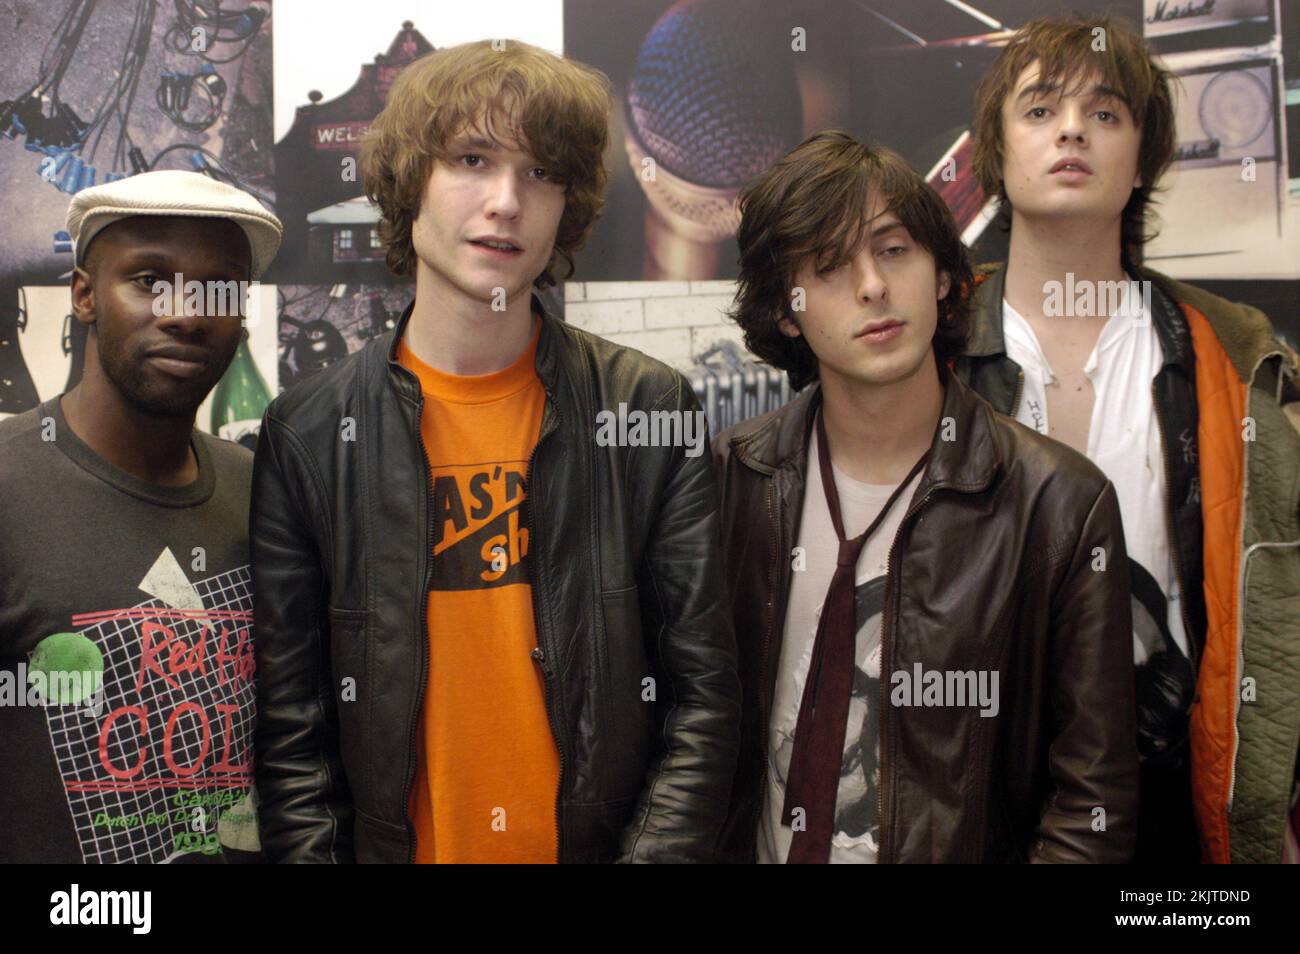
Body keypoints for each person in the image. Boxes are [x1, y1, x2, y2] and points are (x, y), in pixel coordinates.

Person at [250, 39, 740, 863]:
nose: (507, 201)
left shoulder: (645, 410)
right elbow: (292, 741)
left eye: (542, 171)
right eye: (472, 159)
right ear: (411, 183)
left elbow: (704, 700)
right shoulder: (308, 433)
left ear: (570, 203)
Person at [713, 130, 1138, 863]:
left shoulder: (1058, 503)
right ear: (787, 311)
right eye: (828, 264)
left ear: (943, 276)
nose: (873, 286)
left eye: (894, 249)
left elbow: (1093, 802)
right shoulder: (730, 479)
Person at [962, 12, 1300, 863]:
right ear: (993, 154)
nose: (1071, 128)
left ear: (1144, 158)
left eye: (1105, 113)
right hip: (967, 785)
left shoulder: (1235, 354)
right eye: (1039, 110)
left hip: (1172, 792)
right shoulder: (924, 345)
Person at [0, 170, 282, 863]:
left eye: (218, 286)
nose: (186, 312)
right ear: (85, 294)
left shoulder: (266, 491)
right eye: (150, 279)